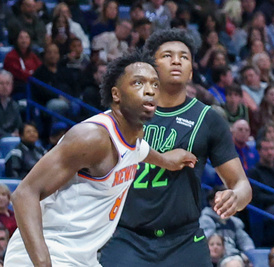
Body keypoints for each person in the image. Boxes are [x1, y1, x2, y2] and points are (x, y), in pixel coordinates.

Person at [5, 51, 197, 267]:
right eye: (138, 83)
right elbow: (24, 194)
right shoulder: (91, 137)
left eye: (154, 84)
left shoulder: (134, 136)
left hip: (82, 259)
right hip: (45, 254)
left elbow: (139, 151)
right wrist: (43, 264)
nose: (150, 90)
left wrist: (167, 160)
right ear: (116, 94)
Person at [100, 29, 252, 267]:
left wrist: (235, 197)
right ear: (151, 67)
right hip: (127, 237)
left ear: (191, 71)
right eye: (167, 55)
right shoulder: (124, 114)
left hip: (184, 240)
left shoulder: (208, 119)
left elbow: (242, 185)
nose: (176, 60)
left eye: (184, 57)